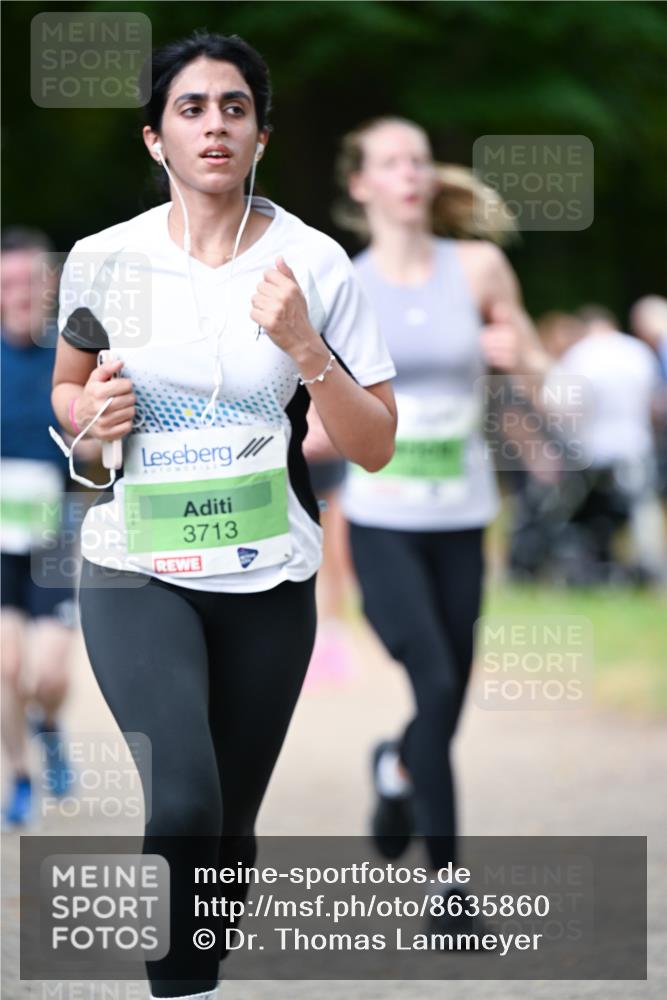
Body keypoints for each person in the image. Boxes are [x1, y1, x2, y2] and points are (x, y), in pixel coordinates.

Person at [50, 32, 396, 1000]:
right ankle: (178, 990)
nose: (214, 125)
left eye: (233, 109)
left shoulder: (315, 263)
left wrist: (304, 346)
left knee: (230, 820)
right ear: (156, 138)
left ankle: (195, 972)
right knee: (186, 795)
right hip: (136, 565)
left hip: (269, 571)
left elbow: (372, 443)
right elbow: (71, 396)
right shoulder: (103, 259)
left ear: (261, 137)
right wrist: (92, 421)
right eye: (192, 108)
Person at [334, 117, 548, 915]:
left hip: (462, 515)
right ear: (360, 185)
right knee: (430, 674)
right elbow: (322, 398)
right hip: (381, 518)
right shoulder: (345, 281)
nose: (409, 173)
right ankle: (448, 888)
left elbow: (536, 368)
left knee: (449, 688)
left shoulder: (479, 266)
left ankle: (394, 767)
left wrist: (517, 354)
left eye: (418, 159)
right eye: (390, 162)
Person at [1, 227, 77, 827]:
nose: (21, 295)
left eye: (31, 282)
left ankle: (48, 722)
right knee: (5, 668)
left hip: (57, 529)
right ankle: (21, 777)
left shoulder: (69, 354)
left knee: (49, 671)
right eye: (9, 285)